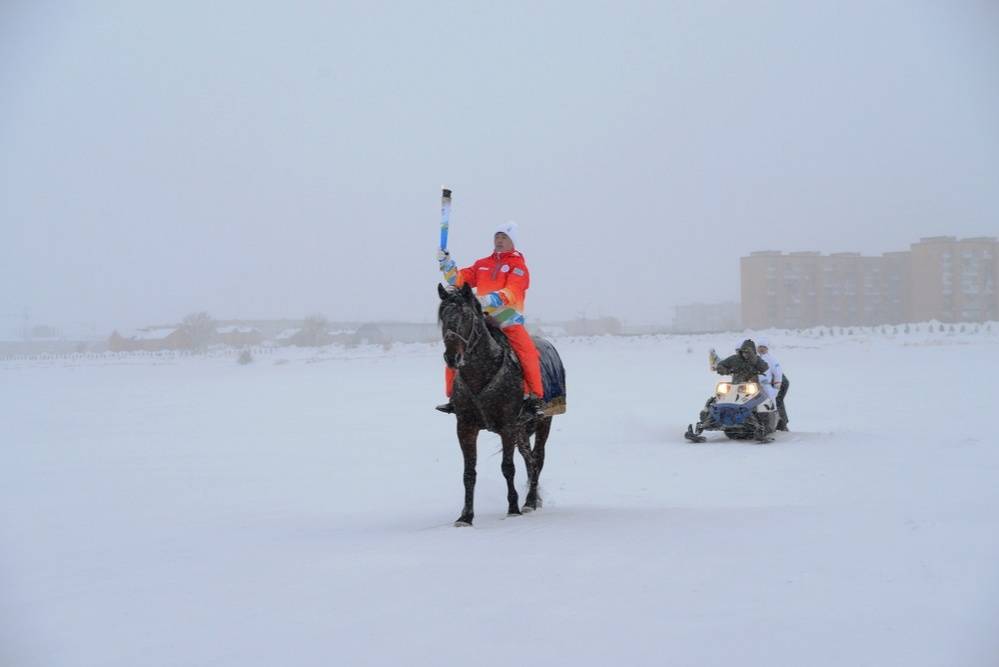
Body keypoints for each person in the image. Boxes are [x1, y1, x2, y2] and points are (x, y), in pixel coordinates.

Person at [435, 221, 545, 418]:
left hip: (507, 319)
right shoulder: (483, 264)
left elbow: (513, 290)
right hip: (483, 319)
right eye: (497, 236)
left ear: (513, 241)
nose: (499, 240)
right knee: (456, 345)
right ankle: (453, 397)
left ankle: (535, 398)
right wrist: (446, 263)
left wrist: (491, 298)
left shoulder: (518, 266)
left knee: (527, 350)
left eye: (504, 237)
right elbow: (457, 280)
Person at [757, 337, 790, 431]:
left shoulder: (771, 359)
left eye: (764, 347)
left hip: (781, 383)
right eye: (760, 347)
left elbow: (778, 374)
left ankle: (783, 425)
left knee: (777, 400)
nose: (761, 349)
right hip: (769, 383)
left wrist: (776, 388)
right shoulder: (756, 358)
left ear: (767, 349)